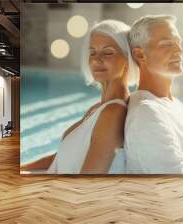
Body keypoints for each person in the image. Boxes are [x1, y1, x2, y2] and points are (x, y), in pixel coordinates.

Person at [124, 15, 183, 174]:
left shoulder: (172, 103)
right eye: (167, 44)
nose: (179, 50)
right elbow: (176, 186)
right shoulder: (146, 114)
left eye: (178, 43)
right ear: (140, 55)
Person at [46, 20, 139, 174]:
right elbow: (62, 156)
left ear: (127, 59)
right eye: (92, 52)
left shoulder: (113, 113)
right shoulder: (98, 108)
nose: (96, 59)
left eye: (108, 52)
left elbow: (89, 180)